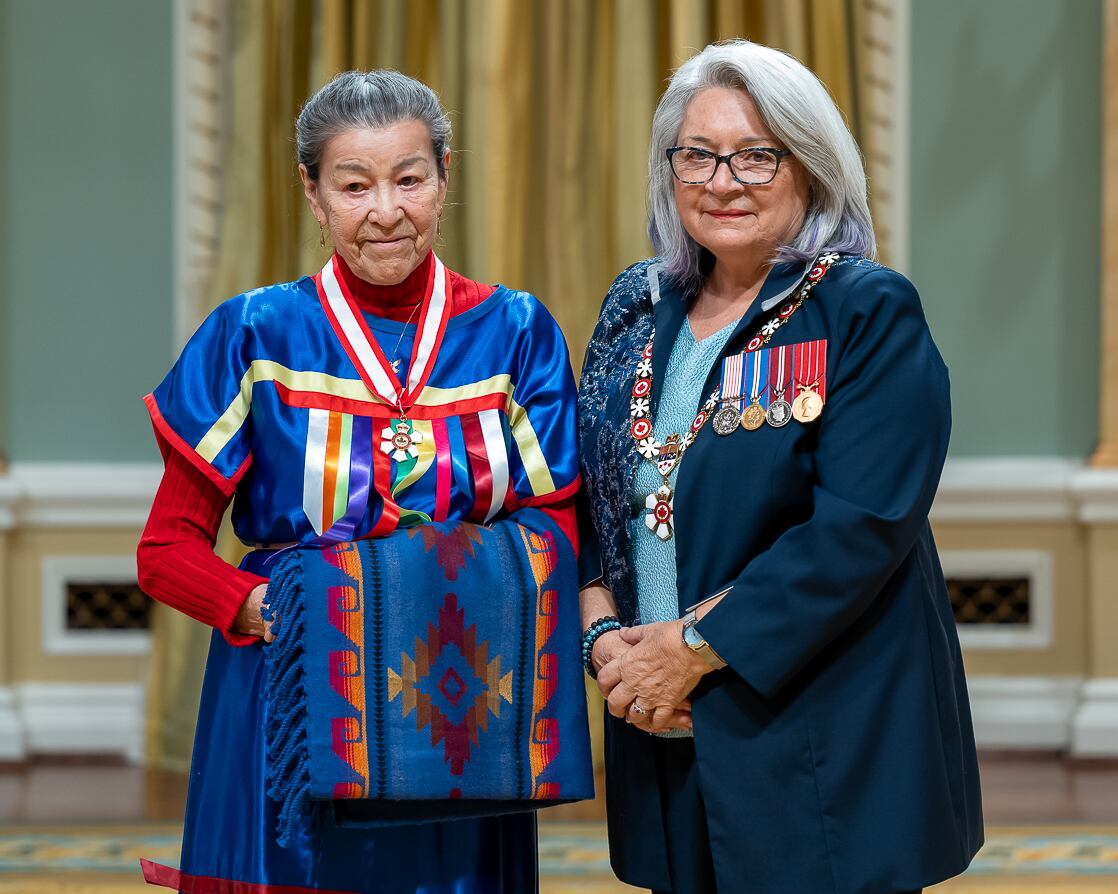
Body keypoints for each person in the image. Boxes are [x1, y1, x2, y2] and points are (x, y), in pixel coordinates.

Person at [137, 70, 581, 894]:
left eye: (409, 178)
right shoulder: (255, 333)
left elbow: (557, 529)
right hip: (289, 696)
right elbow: (165, 550)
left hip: (461, 706)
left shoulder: (517, 334)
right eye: (354, 184)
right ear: (314, 194)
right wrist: (279, 611)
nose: (386, 211)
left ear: (444, 178)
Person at [577, 40, 983, 894]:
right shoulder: (633, 307)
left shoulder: (864, 310)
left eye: (758, 155)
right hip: (662, 726)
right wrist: (606, 641)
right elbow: (595, 498)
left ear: (812, 168)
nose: (724, 181)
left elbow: (858, 529)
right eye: (699, 155)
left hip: (818, 738)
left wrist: (689, 647)